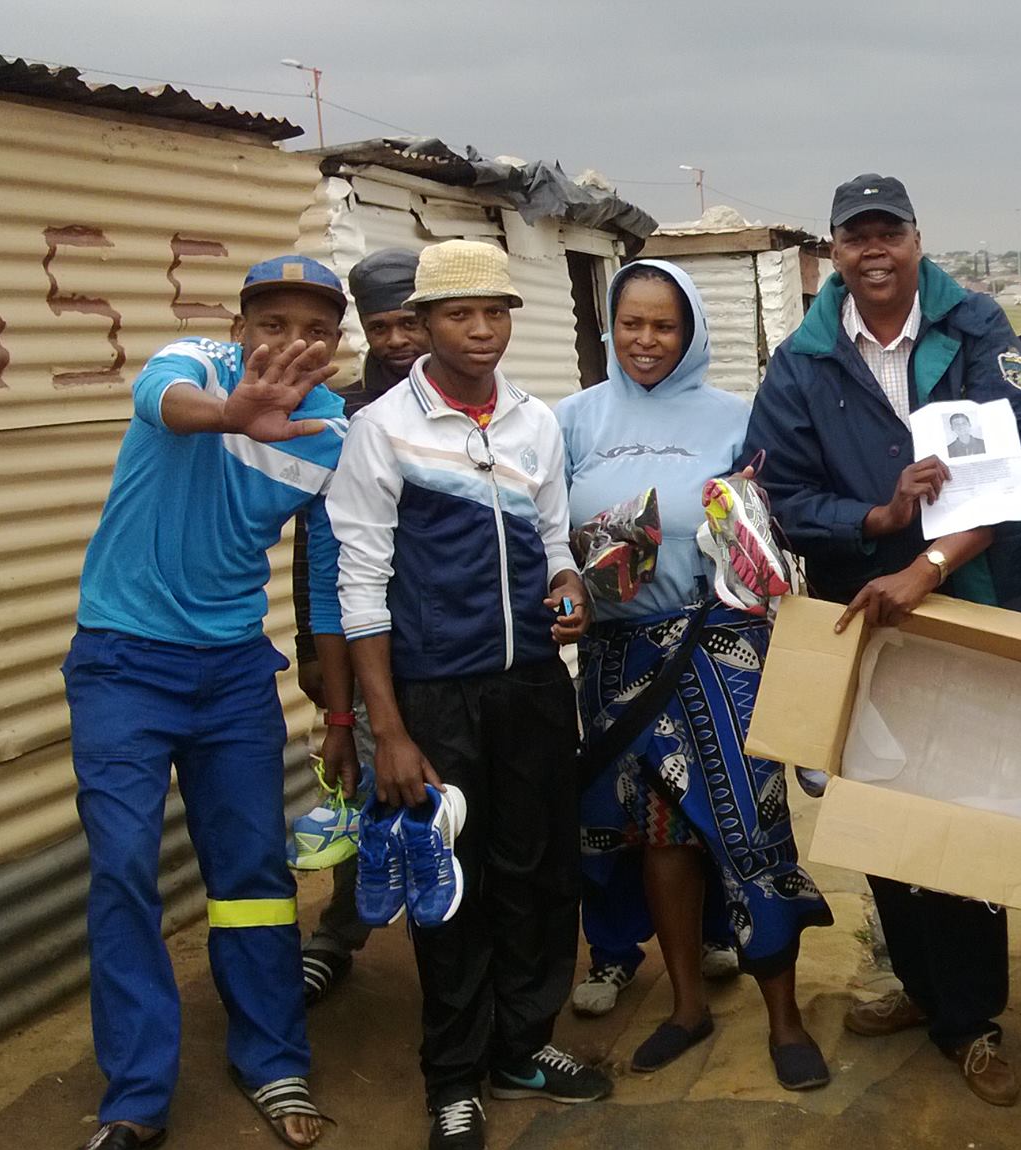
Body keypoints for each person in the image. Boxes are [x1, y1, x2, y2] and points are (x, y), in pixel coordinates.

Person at [745, 172, 1021, 1107]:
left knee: (966, 812)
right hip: (862, 610)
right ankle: (923, 990)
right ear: (834, 252)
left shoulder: (974, 327)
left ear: (917, 240)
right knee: (879, 809)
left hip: (974, 599)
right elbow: (777, 492)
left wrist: (926, 566)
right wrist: (877, 517)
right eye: (855, 237)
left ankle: (972, 1018)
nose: (873, 251)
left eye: (890, 232)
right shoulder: (803, 358)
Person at [66, 255, 349, 1150]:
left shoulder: (333, 429)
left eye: (313, 327)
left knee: (254, 877)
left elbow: (334, 572)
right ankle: (137, 1094)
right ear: (240, 328)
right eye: (272, 323)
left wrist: (342, 711)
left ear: (334, 342)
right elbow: (164, 403)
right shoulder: (190, 363)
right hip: (123, 662)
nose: (290, 341)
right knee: (121, 869)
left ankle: (272, 1059)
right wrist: (233, 415)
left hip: (232, 671)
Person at [326, 239, 602, 1150]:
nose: (481, 330)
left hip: (530, 689)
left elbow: (554, 539)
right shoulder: (383, 429)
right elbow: (358, 588)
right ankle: (453, 1076)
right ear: (425, 324)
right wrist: (388, 731)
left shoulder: (534, 422)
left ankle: (523, 1043)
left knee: (540, 872)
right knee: (454, 886)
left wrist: (569, 589)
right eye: (458, 314)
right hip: (435, 695)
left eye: (495, 312)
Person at [556, 259, 834, 1090]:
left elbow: (768, 534)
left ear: (692, 333)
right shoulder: (572, 419)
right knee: (661, 838)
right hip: (617, 657)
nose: (645, 341)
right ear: (610, 327)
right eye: (630, 324)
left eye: (664, 326)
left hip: (720, 647)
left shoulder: (737, 416)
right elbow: (546, 531)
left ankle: (784, 1017)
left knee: (752, 824)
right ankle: (686, 1007)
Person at [291, 247, 428, 1006]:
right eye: (382, 326)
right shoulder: (335, 414)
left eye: (410, 321)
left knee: (450, 785)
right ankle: (341, 929)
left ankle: (454, 929)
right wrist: (314, 649)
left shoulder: (471, 406)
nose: (399, 340)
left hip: (444, 636)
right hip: (355, 633)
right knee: (358, 780)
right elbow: (314, 544)